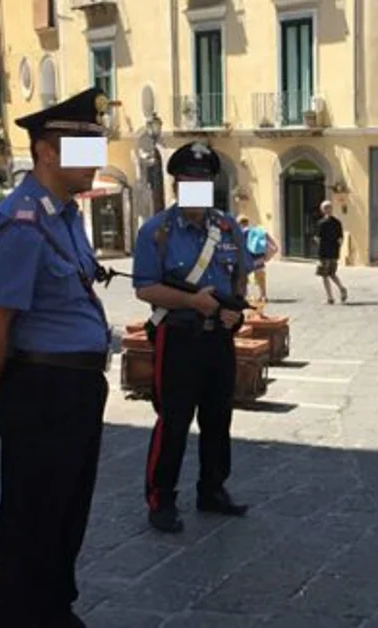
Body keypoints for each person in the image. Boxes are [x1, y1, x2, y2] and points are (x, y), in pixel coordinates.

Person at [0, 87, 113, 627]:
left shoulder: (65, 216)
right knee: (29, 519)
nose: (94, 161)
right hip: (42, 389)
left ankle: (53, 607)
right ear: (47, 153)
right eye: (83, 149)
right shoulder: (23, 224)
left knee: (67, 512)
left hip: (76, 390)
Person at [132, 141, 253, 534]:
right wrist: (193, 302)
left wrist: (234, 307)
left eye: (203, 181)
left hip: (218, 338)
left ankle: (212, 489)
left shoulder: (227, 227)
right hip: (178, 338)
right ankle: (160, 498)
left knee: (219, 418)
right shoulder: (157, 232)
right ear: (176, 185)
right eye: (189, 181)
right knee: (174, 420)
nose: (197, 187)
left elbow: (240, 274)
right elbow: (146, 289)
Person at [237, 215, 278, 304]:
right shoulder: (257, 230)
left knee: (243, 277)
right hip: (258, 256)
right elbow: (272, 243)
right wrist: (271, 251)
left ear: (239, 223)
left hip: (246, 257)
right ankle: (263, 295)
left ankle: (245, 296)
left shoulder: (239, 232)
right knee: (261, 277)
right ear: (247, 222)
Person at [314, 200, 348, 304]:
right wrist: (337, 249)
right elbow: (341, 239)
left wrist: (319, 250)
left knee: (324, 275)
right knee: (332, 273)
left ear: (322, 210)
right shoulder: (337, 222)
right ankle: (341, 287)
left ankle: (330, 297)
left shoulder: (321, 223)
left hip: (324, 252)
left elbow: (317, 239)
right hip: (334, 252)